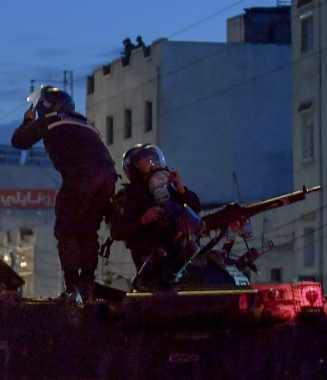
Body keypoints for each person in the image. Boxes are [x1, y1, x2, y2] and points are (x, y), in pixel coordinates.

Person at [11, 86, 118, 302]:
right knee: (88, 232)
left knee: (67, 231)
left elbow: (19, 141)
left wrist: (28, 120)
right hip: (108, 177)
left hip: (82, 178)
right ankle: (88, 286)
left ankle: (72, 287)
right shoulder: (86, 124)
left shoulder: (51, 119)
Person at [109, 143, 203, 289]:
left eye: (155, 160)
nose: (154, 166)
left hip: (176, 250)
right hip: (149, 256)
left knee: (195, 251)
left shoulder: (167, 190)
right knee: (160, 260)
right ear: (134, 169)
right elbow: (117, 231)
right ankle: (142, 281)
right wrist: (143, 220)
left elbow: (195, 208)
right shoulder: (127, 197)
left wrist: (180, 188)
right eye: (147, 162)